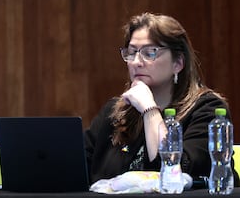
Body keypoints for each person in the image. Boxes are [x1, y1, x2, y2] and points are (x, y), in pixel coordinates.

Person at [84, 12, 239, 187]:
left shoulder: (207, 109)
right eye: (132, 52)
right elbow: (78, 165)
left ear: (178, 63)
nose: (136, 62)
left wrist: (150, 110)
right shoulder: (115, 111)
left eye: (150, 53)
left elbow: (174, 173)